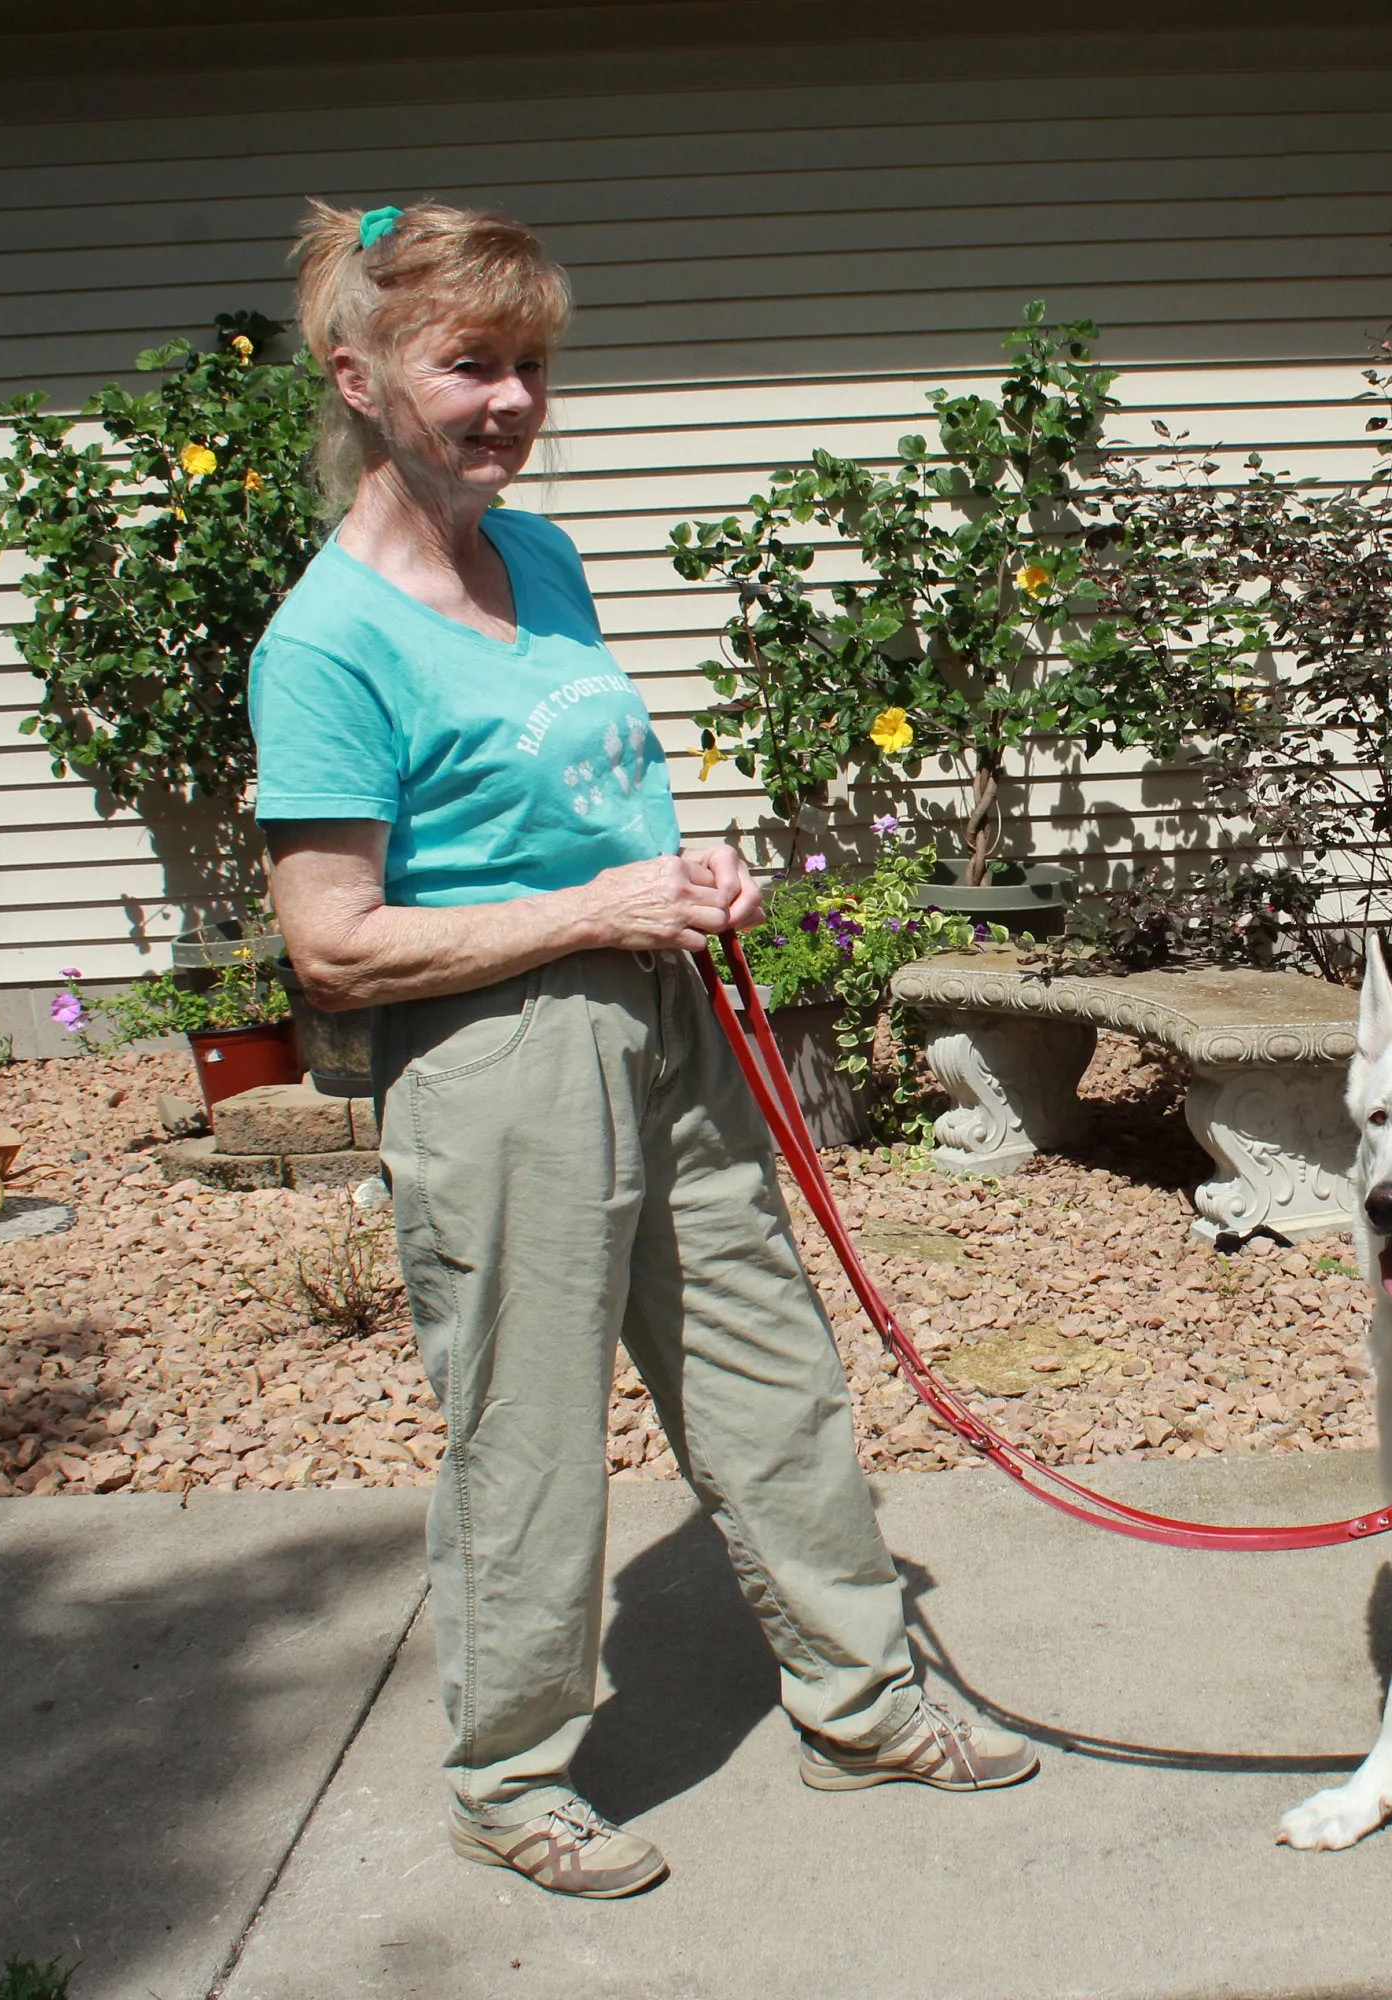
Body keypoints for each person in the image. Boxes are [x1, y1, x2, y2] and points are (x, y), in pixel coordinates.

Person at [248, 198, 1036, 1901]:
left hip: (657, 1012)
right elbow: (332, 946)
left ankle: (862, 1704)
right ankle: (509, 1775)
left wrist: (684, 876)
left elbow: (590, 801)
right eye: (472, 364)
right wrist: (597, 911)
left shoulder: (538, 556)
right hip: (497, 1055)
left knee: (770, 1371)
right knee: (526, 1436)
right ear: (363, 374)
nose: (513, 401)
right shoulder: (324, 645)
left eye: (531, 365)